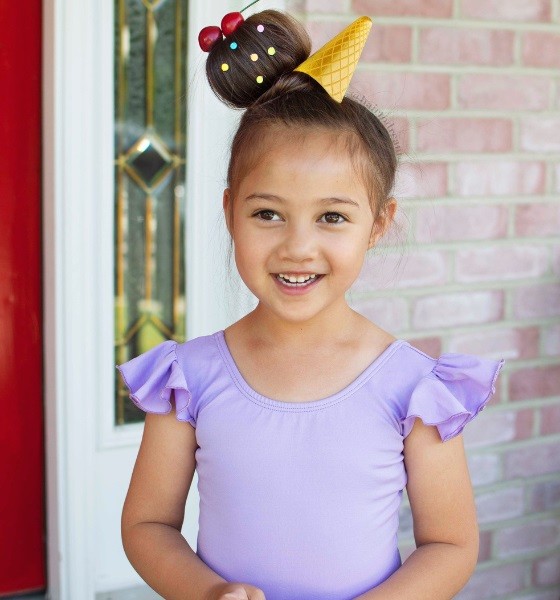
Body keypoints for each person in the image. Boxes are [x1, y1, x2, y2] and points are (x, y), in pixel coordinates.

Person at [116, 6, 505, 600]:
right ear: (229, 214)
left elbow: (450, 544)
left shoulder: (415, 389)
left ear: (377, 224)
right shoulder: (187, 379)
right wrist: (209, 592)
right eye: (267, 213)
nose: (298, 248)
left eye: (331, 217)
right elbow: (148, 526)